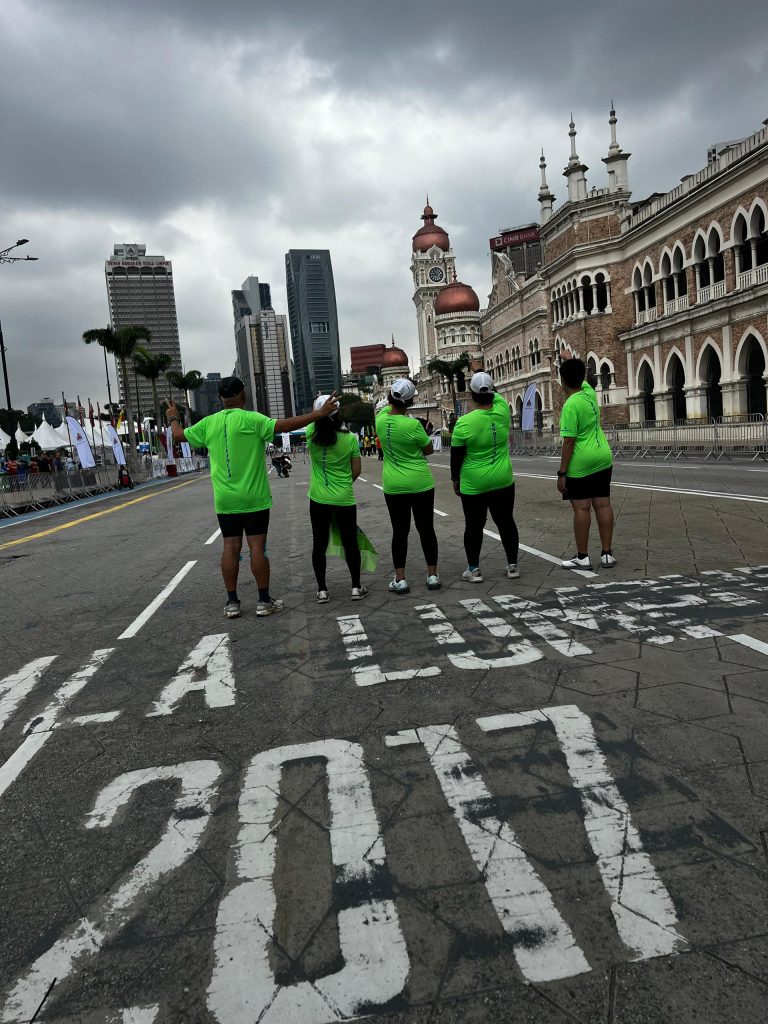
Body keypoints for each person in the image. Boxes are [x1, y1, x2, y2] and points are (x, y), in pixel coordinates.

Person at [166, 377, 338, 619]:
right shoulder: (253, 419)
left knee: (230, 547)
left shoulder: (208, 424)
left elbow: (179, 436)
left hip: (225, 500)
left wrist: (173, 416)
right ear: (243, 396)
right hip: (254, 497)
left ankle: (232, 603)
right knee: (257, 547)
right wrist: (318, 414)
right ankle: (263, 600)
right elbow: (285, 426)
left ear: (220, 399)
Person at [450, 371, 519, 582]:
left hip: (474, 483)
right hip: (503, 480)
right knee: (506, 522)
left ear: (471, 395)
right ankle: (512, 566)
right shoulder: (502, 413)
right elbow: (495, 395)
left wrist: (455, 480)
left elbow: (456, 457)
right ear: (491, 392)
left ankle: (473, 569)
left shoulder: (463, 423)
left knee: (473, 525)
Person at [375, 377, 440, 593]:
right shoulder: (413, 425)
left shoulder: (380, 421)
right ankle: (432, 576)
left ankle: (400, 579)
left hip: (394, 486)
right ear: (411, 401)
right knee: (426, 530)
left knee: (399, 532)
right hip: (421, 482)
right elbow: (429, 450)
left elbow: (385, 409)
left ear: (390, 397)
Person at [306, 395, 368, 603]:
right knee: (350, 542)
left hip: (318, 498)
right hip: (344, 499)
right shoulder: (350, 439)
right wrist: (342, 484)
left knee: (319, 544)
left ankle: (322, 590)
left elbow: (310, 422)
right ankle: (356, 587)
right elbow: (357, 470)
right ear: (338, 414)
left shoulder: (309, 435)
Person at [556, 357, 615, 570]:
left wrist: (562, 472)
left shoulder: (571, 405)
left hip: (581, 461)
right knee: (603, 504)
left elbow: (569, 441)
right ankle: (607, 554)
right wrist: (568, 357)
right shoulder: (589, 394)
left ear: (563, 381)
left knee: (582, 508)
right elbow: (581, 375)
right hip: (603, 456)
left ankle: (582, 556)